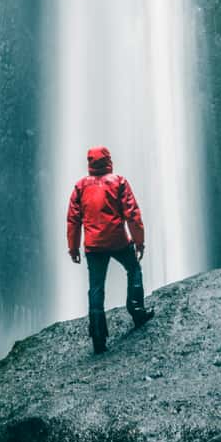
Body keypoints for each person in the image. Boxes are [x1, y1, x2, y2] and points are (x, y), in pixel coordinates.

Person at [66, 146, 154, 354]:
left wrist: (73, 247)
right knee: (133, 269)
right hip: (118, 241)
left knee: (96, 288)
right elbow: (132, 214)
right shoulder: (119, 182)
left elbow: (73, 220)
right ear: (108, 161)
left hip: (94, 245)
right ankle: (137, 310)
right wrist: (139, 241)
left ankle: (98, 335)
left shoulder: (80, 187)